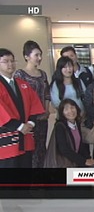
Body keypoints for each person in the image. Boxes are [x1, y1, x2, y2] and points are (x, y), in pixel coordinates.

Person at [0, 48, 45, 168]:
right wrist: (19, 126)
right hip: (7, 140)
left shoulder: (22, 83)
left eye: (12, 61)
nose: (10, 64)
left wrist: (31, 123)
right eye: (6, 61)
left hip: (25, 136)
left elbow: (34, 104)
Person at [14, 40, 50, 168]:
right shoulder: (20, 74)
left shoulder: (43, 74)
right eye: (36, 55)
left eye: (40, 55)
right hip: (29, 118)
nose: (39, 58)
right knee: (30, 148)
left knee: (41, 147)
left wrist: (46, 109)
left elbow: (46, 93)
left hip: (42, 117)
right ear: (26, 57)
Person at [45, 99, 94, 167]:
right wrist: (83, 161)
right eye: (66, 109)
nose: (70, 111)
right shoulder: (60, 126)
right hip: (64, 163)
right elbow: (64, 149)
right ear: (62, 112)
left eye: (72, 107)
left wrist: (88, 158)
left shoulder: (77, 123)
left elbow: (80, 145)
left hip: (74, 161)